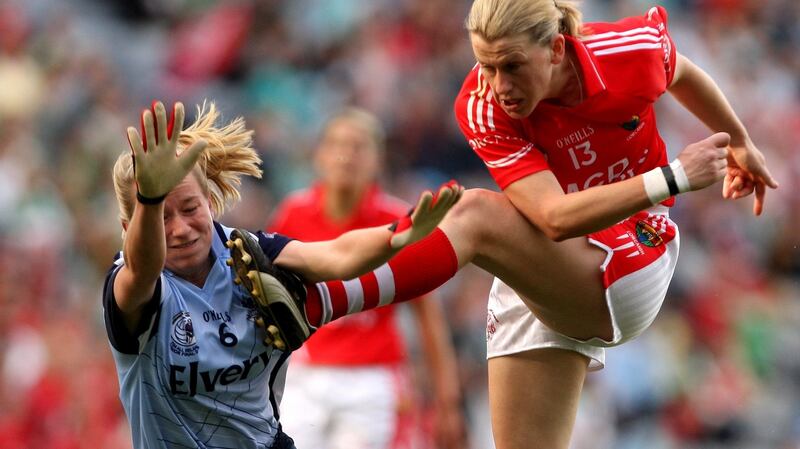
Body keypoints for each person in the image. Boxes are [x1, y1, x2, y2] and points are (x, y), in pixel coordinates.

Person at [234, 2, 778, 449]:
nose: (497, 85)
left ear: (557, 48)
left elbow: (679, 69)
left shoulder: (623, 51)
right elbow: (552, 217)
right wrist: (675, 175)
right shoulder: (481, 104)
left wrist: (739, 142)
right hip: (552, 264)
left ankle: (315, 304)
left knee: (471, 212)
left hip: (636, 250)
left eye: (512, 66)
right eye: (486, 66)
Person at [103, 100, 462, 449]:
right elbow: (144, 266)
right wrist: (149, 200)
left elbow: (336, 256)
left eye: (190, 207)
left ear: (210, 202)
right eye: (161, 217)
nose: (180, 229)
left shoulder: (244, 253)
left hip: (360, 389)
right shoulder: (133, 284)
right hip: (312, 381)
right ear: (128, 227)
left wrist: (395, 236)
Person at [267, 108, 466, 449]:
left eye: (358, 146)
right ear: (319, 156)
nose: (346, 156)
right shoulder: (293, 213)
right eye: (336, 145)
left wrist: (447, 401)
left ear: (378, 160)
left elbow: (428, 316)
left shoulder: (399, 220)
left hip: (375, 381)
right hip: (306, 375)